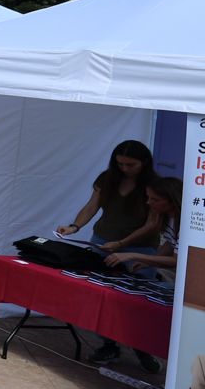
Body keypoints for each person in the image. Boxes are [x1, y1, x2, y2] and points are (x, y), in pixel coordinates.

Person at [58, 140, 157, 366]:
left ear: (144, 163)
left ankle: (142, 347)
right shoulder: (107, 178)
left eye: (131, 165)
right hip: (102, 242)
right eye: (120, 164)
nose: (125, 168)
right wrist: (74, 227)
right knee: (102, 296)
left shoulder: (154, 184)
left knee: (138, 301)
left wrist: (122, 243)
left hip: (140, 248)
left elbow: (153, 223)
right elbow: (92, 206)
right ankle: (108, 345)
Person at [94, 176, 181, 372]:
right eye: (148, 198)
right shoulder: (167, 217)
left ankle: (143, 348)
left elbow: (178, 260)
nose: (149, 203)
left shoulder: (186, 220)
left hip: (188, 284)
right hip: (171, 276)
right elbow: (170, 244)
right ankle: (125, 346)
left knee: (146, 307)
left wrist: (135, 255)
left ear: (171, 199)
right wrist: (146, 261)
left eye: (154, 199)